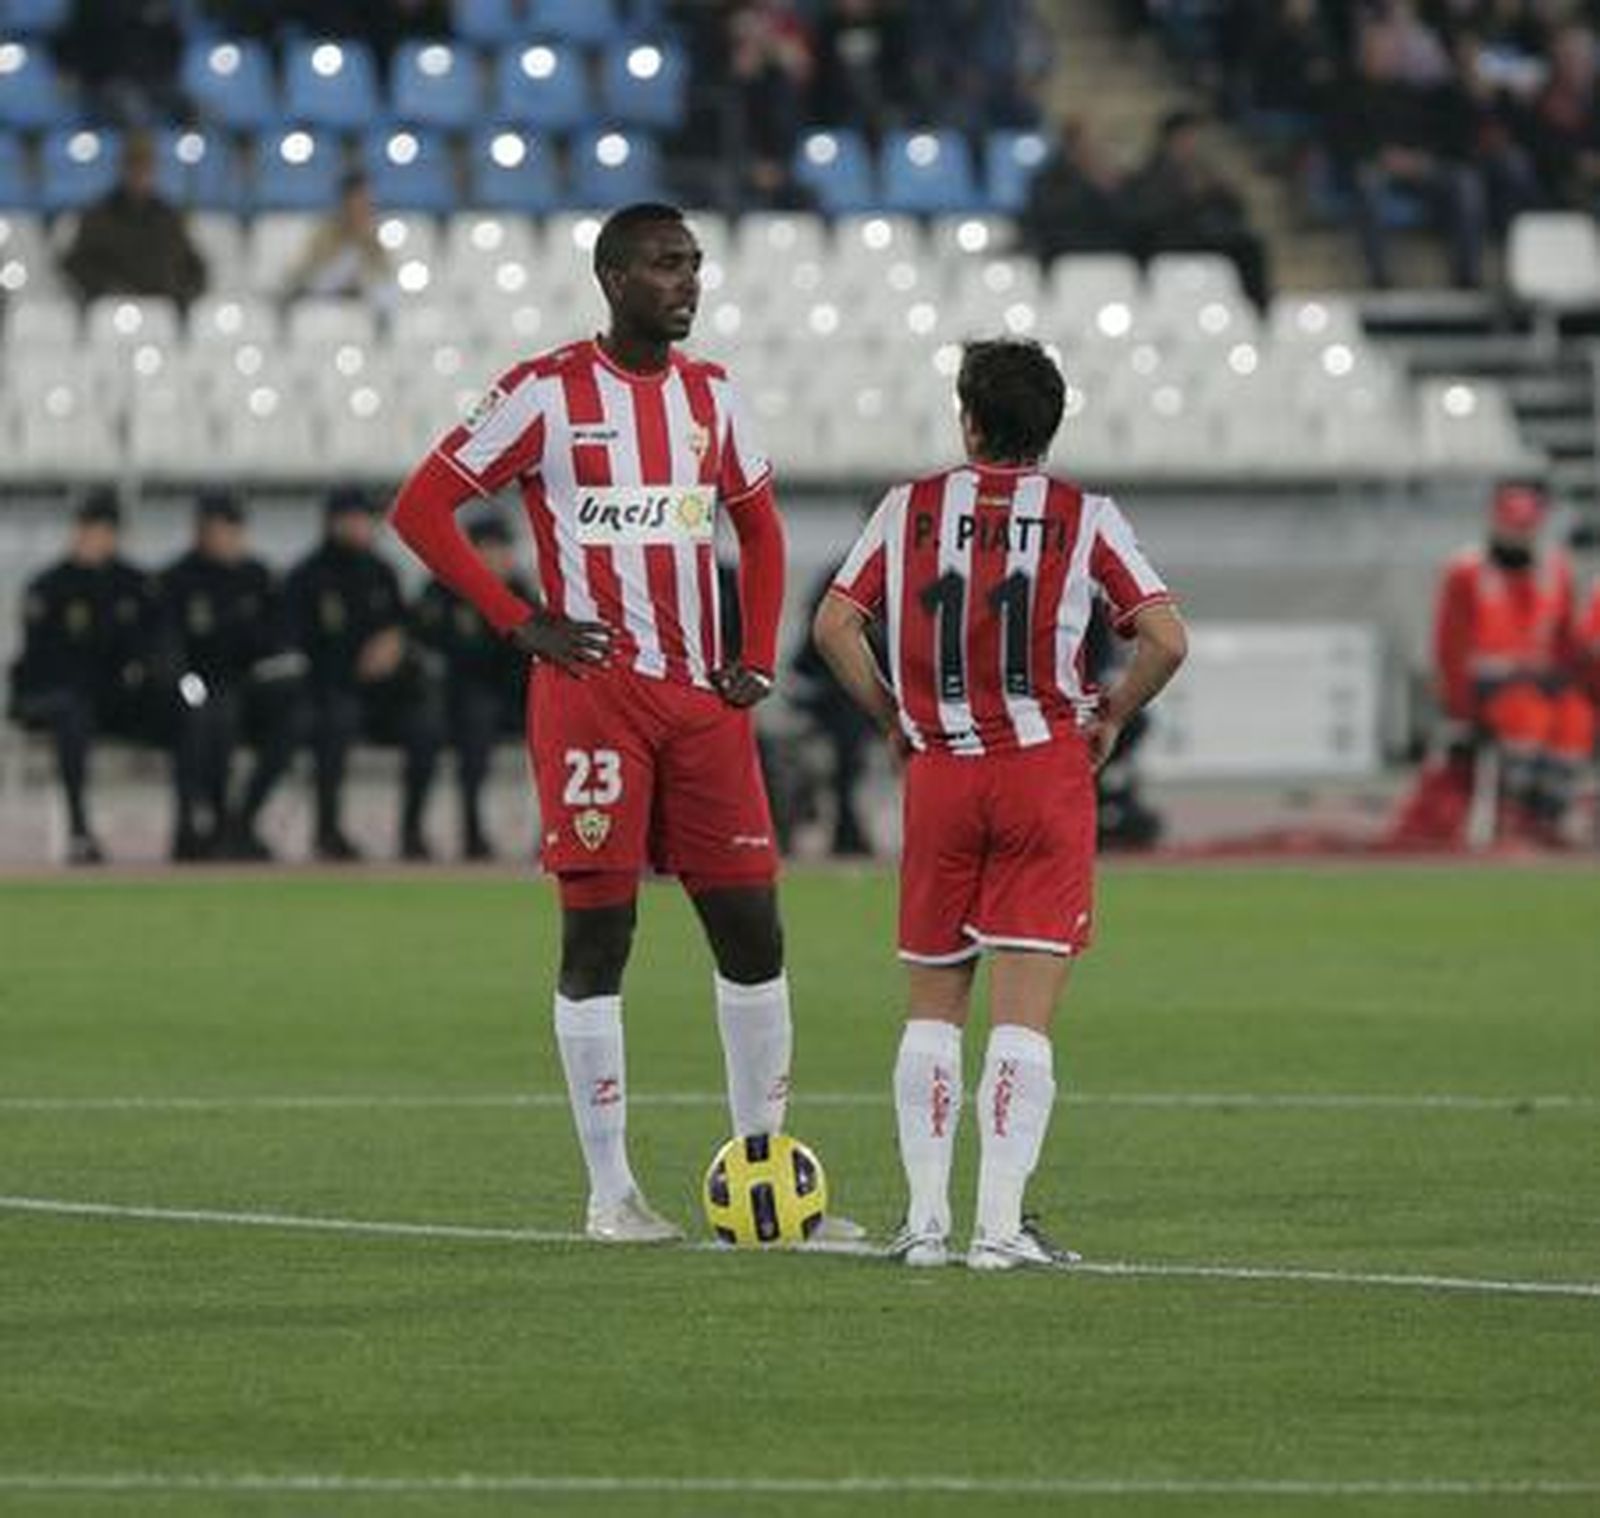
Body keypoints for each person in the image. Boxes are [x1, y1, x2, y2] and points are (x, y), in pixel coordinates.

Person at [389, 202, 859, 1246]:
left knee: (752, 932)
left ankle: (768, 1181)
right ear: (611, 278)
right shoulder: (543, 394)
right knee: (601, 936)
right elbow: (421, 507)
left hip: (702, 707)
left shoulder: (714, 396)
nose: (686, 284)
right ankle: (611, 1195)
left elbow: (760, 525)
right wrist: (520, 620)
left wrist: (750, 655)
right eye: (662, 266)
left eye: (693, 265)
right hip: (592, 701)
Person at [812, 338, 1187, 1270]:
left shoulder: (908, 508)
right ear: (1050, 427)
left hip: (941, 771)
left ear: (969, 420)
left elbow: (832, 626)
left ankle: (926, 1224)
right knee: (1022, 1014)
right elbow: (1166, 640)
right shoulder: (1084, 516)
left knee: (933, 1005)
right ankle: (999, 1228)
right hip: (1040, 770)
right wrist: (1110, 716)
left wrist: (893, 717)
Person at [284, 487, 445, 862]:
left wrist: (396, 644)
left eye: (367, 519)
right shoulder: (307, 576)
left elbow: (406, 626)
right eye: (354, 518)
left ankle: (412, 831)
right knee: (334, 723)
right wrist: (353, 659)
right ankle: (327, 831)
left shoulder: (382, 572)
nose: (363, 526)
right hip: (331, 691)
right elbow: (298, 646)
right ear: (333, 522)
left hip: (384, 695)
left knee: (426, 725)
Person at [1426, 482, 1592, 843]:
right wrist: (1458, 707)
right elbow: (1449, 644)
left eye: (1526, 527)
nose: (1519, 535)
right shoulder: (1466, 571)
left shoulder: (1555, 569)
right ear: (1496, 522)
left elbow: (1565, 639)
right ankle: (1513, 815)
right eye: (1513, 526)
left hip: (1544, 680)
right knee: (1527, 719)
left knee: (1576, 718)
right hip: (1489, 686)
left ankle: (1552, 814)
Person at [6, 490, 166, 865]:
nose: (93, 536)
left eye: (103, 528)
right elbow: (39, 661)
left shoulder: (135, 584)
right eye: (89, 527)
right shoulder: (48, 586)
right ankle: (79, 830)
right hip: (55, 698)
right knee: (72, 713)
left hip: (115, 699)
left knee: (197, 711)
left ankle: (198, 830)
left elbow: (152, 647)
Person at [161, 492, 306, 862]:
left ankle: (241, 820)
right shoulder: (178, 580)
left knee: (297, 720)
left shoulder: (258, 577)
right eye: (217, 528)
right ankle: (205, 824)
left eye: (231, 528)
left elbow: (281, 640)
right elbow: (169, 647)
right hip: (195, 690)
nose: (225, 537)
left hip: (252, 689)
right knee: (208, 717)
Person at [410, 515, 536, 860]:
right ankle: (464, 831)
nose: (505, 556)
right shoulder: (444, 590)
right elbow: (433, 649)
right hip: (455, 701)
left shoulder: (521, 591)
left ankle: (549, 836)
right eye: (495, 548)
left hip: (515, 698)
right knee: (465, 721)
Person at [59, 129, 207, 307]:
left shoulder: (168, 217)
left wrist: (178, 294)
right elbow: (76, 264)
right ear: (123, 168)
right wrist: (108, 289)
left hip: (160, 310)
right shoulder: (99, 215)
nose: (139, 175)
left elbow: (193, 268)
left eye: (145, 168)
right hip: (111, 309)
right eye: (134, 166)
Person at [284, 172, 395, 307]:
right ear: (346, 201)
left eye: (368, 200)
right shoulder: (325, 232)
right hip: (321, 305)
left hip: (362, 309)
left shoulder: (376, 235)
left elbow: (384, 277)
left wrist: (367, 241)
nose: (365, 205)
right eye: (359, 200)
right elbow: (308, 274)